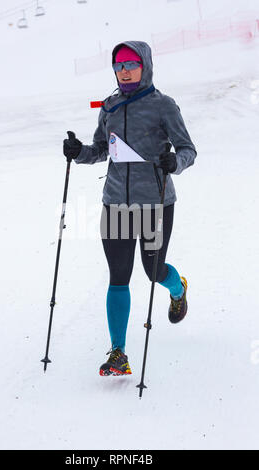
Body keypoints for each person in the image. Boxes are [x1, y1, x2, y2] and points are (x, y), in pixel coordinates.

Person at [63, 41, 197, 376]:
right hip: (115, 204)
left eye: (131, 64)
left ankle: (178, 287)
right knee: (118, 276)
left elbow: (188, 149)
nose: (124, 71)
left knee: (153, 270)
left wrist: (174, 162)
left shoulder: (163, 106)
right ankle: (118, 353)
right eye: (119, 65)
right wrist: (78, 151)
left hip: (155, 202)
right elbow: (100, 149)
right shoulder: (109, 107)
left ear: (145, 65)